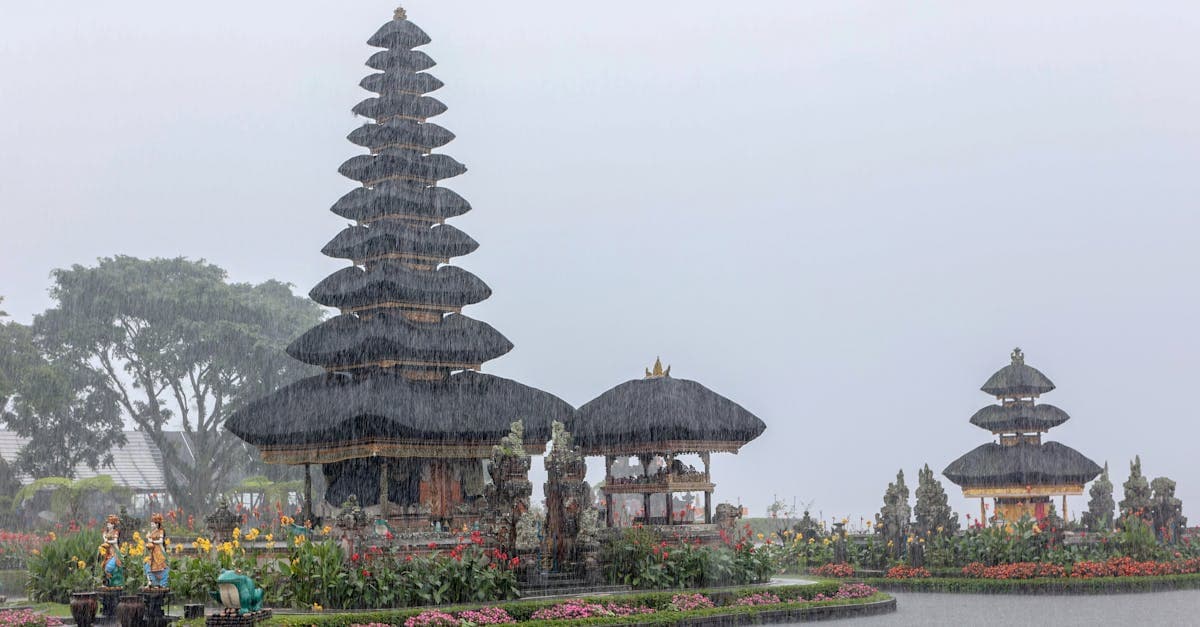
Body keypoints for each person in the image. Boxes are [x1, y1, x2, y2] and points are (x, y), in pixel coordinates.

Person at [144, 513, 169, 588]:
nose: (151, 525)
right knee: (148, 565)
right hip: (153, 551)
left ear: (157, 524)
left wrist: (152, 541)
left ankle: (161, 583)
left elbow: (161, 541)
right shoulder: (152, 532)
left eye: (153, 524)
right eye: (151, 524)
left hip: (158, 551)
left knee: (160, 566)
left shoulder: (161, 531)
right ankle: (152, 581)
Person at [101, 515, 125, 587]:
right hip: (108, 553)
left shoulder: (115, 532)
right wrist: (104, 537)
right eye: (107, 524)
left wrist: (106, 540)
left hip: (114, 552)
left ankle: (116, 582)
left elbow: (115, 541)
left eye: (109, 524)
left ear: (113, 525)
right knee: (104, 566)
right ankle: (109, 583)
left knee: (109, 567)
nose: (108, 525)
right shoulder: (107, 533)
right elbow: (105, 540)